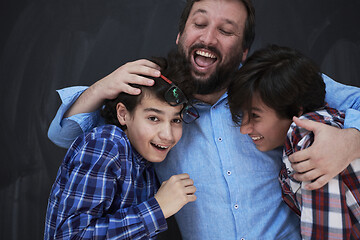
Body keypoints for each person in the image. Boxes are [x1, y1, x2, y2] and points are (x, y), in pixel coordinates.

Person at [47, 0, 360, 239]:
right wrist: (102, 87)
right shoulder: (157, 104)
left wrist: (351, 141)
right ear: (181, 35)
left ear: (243, 52)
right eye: (199, 24)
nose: (208, 39)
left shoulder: (273, 84)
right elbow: (66, 136)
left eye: (225, 31)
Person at [44, 52, 198, 239]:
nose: (167, 135)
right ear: (123, 114)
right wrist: (157, 209)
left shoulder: (144, 163)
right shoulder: (107, 144)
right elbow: (72, 236)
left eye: (176, 120)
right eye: (153, 118)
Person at [227, 44, 360, 239]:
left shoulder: (305, 134)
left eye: (255, 116)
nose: (244, 128)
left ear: (296, 111)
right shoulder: (328, 120)